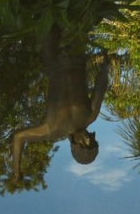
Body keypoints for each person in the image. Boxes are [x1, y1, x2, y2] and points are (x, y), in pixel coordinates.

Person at [10, 25, 111, 180]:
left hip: (54, 59)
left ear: (75, 145)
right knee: (74, 18)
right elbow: (100, 88)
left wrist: (16, 172)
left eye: (85, 144)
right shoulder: (90, 116)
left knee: (48, 21)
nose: (88, 139)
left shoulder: (51, 129)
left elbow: (19, 137)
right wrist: (105, 70)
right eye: (92, 142)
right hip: (76, 55)